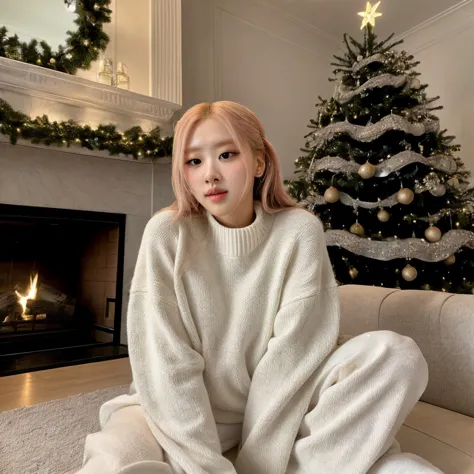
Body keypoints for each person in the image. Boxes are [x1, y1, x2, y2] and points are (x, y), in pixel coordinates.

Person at [77, 101, 443, 474]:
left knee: (397, 355)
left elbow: (294, 356)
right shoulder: (167, 235)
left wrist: (260, 464)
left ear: (258, 162)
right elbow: (167, 369)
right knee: (114, 460)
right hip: (171, 419)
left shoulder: (298, 231)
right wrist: (207, 468)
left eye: (226, 154)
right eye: (194, 161)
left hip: (283, 413)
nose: (210, 175)